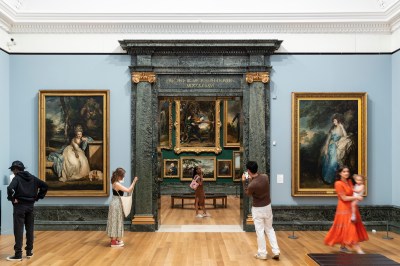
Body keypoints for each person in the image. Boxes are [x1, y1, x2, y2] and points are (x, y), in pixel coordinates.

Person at [6, 160, 48, 261]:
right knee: (30, 229)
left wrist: (12, 198)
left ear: (16, 169)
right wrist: (38, 197)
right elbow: (45, 186)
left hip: (19, 207)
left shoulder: (17, 178)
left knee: (18, 230)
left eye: (13, 170)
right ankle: (29, 252)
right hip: (30, 206)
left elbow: (10, 188)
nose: (13, 172)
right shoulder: (33, 178)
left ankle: (18, 254)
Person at [324, 166, 368, 254]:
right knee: (349, 227)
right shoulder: (338, 183)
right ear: (340, 173)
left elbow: (355, 191)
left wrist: (360, 193)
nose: (346, 173)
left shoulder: (350, 181)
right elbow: (343, 198)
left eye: (347, 171)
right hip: (343, 208)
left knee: (348, 226)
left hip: (352, 207)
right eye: (344, 171)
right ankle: (359, 250)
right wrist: (357, 197)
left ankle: (343, 247)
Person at [242, 161, 280, 261]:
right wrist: (252, 178)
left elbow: (248, 193)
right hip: (268, 207)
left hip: (258, 209)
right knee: (270, 229)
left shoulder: (252, 184)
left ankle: (262, 253)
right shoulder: (265, 177)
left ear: (248, 171)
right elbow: (259, 180)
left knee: (260, 231)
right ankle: (276, 251)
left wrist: (245, 182)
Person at [106, 167, 138, 247]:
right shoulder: (117, 184)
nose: (123, 177)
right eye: (123, 175)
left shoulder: (115, 182)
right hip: (116, 204)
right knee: (116, 221)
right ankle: (113, 241)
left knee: (115, 220)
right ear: (120, 175)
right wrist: (134, 182)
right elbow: (128, 190)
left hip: (115, 202)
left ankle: (114, 239)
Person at [321, 113, 354, 184]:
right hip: (331, 147)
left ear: (339, 120)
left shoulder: (341, 128)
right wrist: (326, 149)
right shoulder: (333, 129)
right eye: (333, 121)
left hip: (338, 146)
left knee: (335, 162)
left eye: (335, 120)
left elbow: (345, 136)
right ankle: (328, 180)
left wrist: (342, 127)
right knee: (330, 162)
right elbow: (328, 140)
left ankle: (333, 179)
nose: (334, 122)